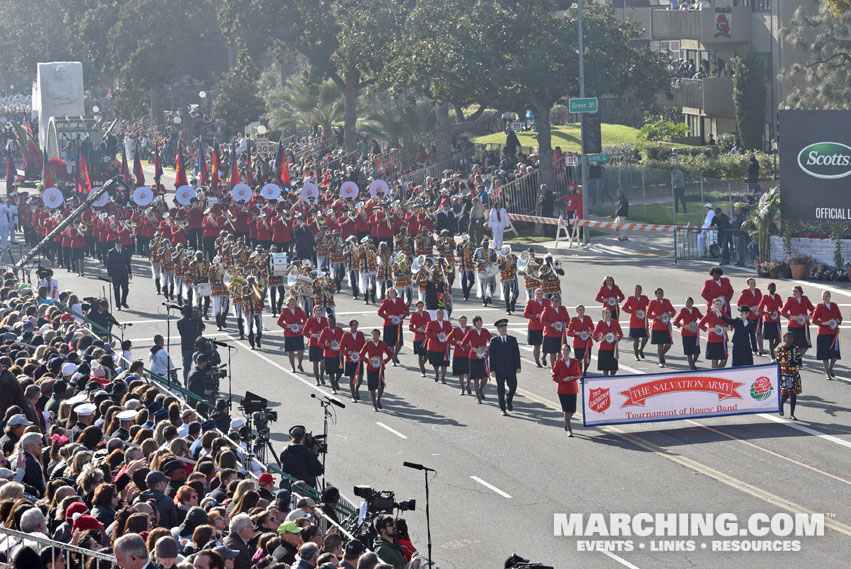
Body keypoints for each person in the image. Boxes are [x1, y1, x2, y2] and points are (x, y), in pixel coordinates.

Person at [488, 319, 521, 416]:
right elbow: (492, 357)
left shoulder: (512, 340)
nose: (504, 329)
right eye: (501, 328)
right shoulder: (494, 341)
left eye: (505, 327)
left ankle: (509, 399)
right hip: (499, 370)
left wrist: (518, 367)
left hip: (511, 369)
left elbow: (516, 354)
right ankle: (503, 409)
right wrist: (492, 370)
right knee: (500, 389)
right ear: (498, 329)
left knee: (513, 386)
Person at [359, 328, 393, 411]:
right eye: (373, 334)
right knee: (372, 387)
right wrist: (368, 360)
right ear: (371, 336)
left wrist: (384, 361)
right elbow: (361, 355)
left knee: (381, 387)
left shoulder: (382, 344)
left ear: (379, 335)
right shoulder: (368, 344)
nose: (375, 336)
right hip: (371, 368)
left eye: (376, 334)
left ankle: (378, 400)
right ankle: (374, 404)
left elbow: (390, 354)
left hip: (380, 369)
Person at [812, 290, 842, 380]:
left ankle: (831, 368)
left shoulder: (834, 305)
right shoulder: (819, 306)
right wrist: (824, 323)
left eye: (826, 296)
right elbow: (814, 320)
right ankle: (827, 372)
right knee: (825, 355)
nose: (824, 298)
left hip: (833, 333)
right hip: (823, 334)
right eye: (823, 296)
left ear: (830, 296)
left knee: (835, 355)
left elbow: (840, 317)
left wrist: (838, 320)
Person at [780, 285, 815, 358]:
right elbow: (783, 312)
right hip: (793, 326)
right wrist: (791, 317)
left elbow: (814, 310)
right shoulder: (790, 300)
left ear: (800, 292)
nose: (794, 293)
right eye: (793, 291)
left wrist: (808, 316)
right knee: (793, 345)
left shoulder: (805, 299)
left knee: (806, 345)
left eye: (796, 291)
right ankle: (795, 361)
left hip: (803, 326)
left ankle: (798, 358)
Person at [377, 287, 409, 365]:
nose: (392, 294)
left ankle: (394, 355)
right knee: (391, 344)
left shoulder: (400, 300)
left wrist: (403, 315)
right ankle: (393, 360)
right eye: (390, 292)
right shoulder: (385, 302)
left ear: (395, 293)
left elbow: (407, 310)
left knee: (399, 343)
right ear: (388, 294)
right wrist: (388, 316)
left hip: (398, 324)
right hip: (389, 324)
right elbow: (379, 312)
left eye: (393, 292)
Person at [647, 288, 676, 367]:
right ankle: (661, 361)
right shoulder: (653, 302)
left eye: (661, 293)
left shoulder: (667, 301)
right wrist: (656, 317)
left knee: (668, 344)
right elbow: (648, 314)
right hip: (657, 326)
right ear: (656, 294)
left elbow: (673, 311)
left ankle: (661, 355)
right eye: (658, 293)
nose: (660, 294)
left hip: (666, 326)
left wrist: (670, 315)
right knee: (660, 345)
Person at [278, 296, 308, 373]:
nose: (292, 303)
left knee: (300, 350)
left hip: (298, 333)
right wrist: (286, 326)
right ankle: (293, 367)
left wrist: (302, 325)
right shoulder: (285, 311)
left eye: (293, 302)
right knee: (291, 351)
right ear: (288, 303)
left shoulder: (299, 310)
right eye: (291, 302)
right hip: (289, 334)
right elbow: (279, 322)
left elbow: (306, 319)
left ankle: (300, 364)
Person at [539, 294, 570, 369]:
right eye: (555, 301)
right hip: (550, 334)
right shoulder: (547, 309)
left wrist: (565, 324)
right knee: (553, 353)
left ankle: (558, 366)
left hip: (560, 334)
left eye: (558, 301)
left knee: (561, 352)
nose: (557, 303)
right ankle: (553, 367)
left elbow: (568, 319)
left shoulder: (563, 309)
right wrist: (551, 324)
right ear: (551, 301)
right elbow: (542, 321)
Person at [699, 298, 730, 368]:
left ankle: (718, 372)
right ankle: (715, 376)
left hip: (722, 340)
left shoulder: (724, 314)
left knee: (724, 360)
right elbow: (700, 324)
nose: (718, 306)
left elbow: (731, 323)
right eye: (716, 304)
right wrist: (709, 329)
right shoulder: (709, 314)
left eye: (719, 304)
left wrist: (726, 328)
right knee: (714, 360)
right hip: (712, 340)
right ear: (713, 305)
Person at [177, 305, 205, 385]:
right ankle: (200, 383)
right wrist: (199, 318)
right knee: (200, 366)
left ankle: (187, 384)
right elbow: (203, 328)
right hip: (196, 347)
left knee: (186, 367)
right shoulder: (196, 320)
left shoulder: (179, 322)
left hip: (185, 347)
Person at [523, 288, 550, 367]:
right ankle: (537, 361)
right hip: (534, 327)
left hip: (545, 326)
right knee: (537, 345)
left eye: (541, 294)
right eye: (537, 294)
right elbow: (525, 314)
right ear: (535, 295)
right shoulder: (530, 303)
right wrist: (536, 316)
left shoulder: (547, 302)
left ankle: (543, 357)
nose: (539, 296)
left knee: (547, 344)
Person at [777, 332, 802, 420]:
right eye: (788, 337)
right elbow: (777, 363)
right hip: (784, 374)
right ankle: (781, 404)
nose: (790, 339)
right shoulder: (780, 349)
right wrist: (778, 375)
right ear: (784, 339)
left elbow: (800, 362)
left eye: (791, 337)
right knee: (785, 394)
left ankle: (792, 414)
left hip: (794, 374)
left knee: (794, 395)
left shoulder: (796, 349)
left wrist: (795, 363)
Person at [318, 314, 345, 394]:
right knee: (331, 372)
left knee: (340, 371)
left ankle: (336, 381)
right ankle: (333, 388)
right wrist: (326, 345)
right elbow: (319, 342)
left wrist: (341, 344)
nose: (332, 324)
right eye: (330, 322)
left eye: (333, 322)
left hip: (338, 354)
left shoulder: (340, 330)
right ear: (328, 322)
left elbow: (344, 340)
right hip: (329, 354)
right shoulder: (325, 330)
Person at [737, 278, 763, 358]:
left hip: (757, 315)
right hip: (749, 316)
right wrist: (749, 308)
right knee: (748, 333)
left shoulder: (758, 291)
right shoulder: (745, 292)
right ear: (748, 284)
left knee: (758, 332)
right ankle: (747, 348)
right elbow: (739, 304)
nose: (753, 284)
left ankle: (761, 349)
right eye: (751, 283)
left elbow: (762, 301)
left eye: (754, 283)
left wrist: (758, 308)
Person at [674, 297, 703, 370]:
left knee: (697, 351)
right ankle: (691, 367)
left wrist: (698, 324)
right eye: (686, 302)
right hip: (686, 334)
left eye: (689, 302)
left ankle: (693, 363)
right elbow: (675, 322)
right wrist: (684, 326)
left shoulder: (695, 310)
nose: (688, 304)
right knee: (689, 352)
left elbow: (702, 318)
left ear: (692, 303)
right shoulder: (683, 311)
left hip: (694, 333)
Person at [622, 284, 649, 360]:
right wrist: (633, 311)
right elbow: (624, 308)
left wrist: (646, 311)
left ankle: (641, 349)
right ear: (634, 291)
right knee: (636, 339)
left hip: (643, 322)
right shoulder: (630, 299)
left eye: (639, 290)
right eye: (636, 290)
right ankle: (636, 354)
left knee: (646, 337)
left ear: (641, 291)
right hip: (634, 322)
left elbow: (650, 305)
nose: (637, 291)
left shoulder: (644, 298)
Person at [425, 308, 452, 383]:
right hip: (434, 347)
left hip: (444, 347)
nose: (441, 315)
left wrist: (447, 335)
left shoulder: (447, 323)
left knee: (444, 363)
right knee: (435, 363)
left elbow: (451, 333)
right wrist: (436, 335)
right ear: (436, 315)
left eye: (442, 313)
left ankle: (443, 377)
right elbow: (427, 334)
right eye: (439, 313)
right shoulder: (431, 323)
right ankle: (437, 373)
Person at [757, 282, 783, 360]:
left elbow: (782, 307)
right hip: (768, 320)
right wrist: (767, 313)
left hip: (776, 320)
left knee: (778, 339)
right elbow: (759, 309)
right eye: (771, 288)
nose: (773, 289)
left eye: (774, 288)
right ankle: (772, 355)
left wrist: (780, 312)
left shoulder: (777, 296)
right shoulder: (765, 297)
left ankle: (772, 350)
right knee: (771, 340)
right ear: (768, 289)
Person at [303, 305, 328, 386]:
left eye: (319, 311)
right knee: (315, 363)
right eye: (316, 311)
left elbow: (328, 330)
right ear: (314, 312)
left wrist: (323, 334)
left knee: (323, 361)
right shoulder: (310, 320)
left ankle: (321, 376)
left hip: (322, 343)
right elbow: (304, 331)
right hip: (313, 343)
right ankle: (317, 379)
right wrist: (312, 335)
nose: (318, 312)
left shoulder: (324, 320)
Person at [593, 308, 622, 376]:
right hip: (604, 348)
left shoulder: (615, 322)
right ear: (603, 314)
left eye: (609, 312)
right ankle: (606, 382)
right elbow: (594, 335)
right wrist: (601, 339)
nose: (608, 314)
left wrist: (617, 338)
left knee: (614, 368)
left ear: (611, 314)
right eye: (606, 313)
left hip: (613, 348)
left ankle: (611, 379)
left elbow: (621, 334)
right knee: (605, 369)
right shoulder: (600, 323)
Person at [567, 304, 594, 375]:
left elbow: (593, 328)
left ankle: (585, 371)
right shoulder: (573, 320)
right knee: (579, 360)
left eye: (582, 310)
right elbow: (569, 332)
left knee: (588, 359)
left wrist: (590, 332)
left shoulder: (588, 318)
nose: (581, 312)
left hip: (587, 343)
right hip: (578, 344)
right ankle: (580, 374)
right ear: (577, 311)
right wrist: (576, 333)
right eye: (579, 310)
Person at [448, 315, 471, 395]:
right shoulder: (455, 330)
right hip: (458, 354)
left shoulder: (469, 330)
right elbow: (448, 339)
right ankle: (462, 388)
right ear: (459, 322)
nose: (463, 323)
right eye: (462, 321)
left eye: (464, 321)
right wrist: (456, 342)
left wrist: (470, 343)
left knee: (469, 372)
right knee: (461, 372)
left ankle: (468, 385)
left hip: (468, 353)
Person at [106, 238, 132, 309]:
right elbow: (109, 265)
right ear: (115, 244)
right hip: (115, 274)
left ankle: (123, 302)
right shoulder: (111, 252)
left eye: (120, 243)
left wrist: (130, 273)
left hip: (124, 273)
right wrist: (109, 275)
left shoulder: (125, 251)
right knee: (116, 290)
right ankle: (118, 305)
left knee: (126, 289)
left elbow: (128, 263)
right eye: (117, 243)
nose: (119, 245)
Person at [408, 301, 431, 377]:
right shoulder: (414, 315)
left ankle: (422, 365)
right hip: (418, 338)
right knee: (420, 355)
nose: (420, 308)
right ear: (416, 307)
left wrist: (427, 329)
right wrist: (417, 329)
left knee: (427, 355)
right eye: (419, 306)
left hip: (426, 337)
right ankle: (422, 370)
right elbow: (410, 327)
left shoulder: (427, 314)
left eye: (422, 306)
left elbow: (430, 323)